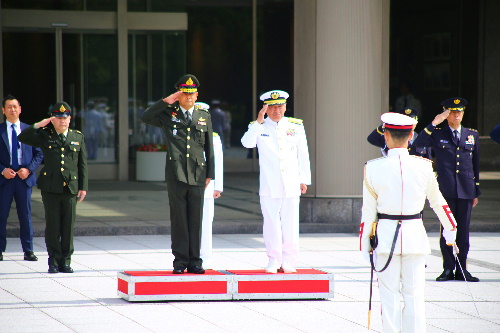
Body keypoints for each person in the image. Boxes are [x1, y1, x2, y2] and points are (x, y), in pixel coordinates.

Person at [360, 112, 457, 333]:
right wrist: (450, 230)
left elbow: (368, 213)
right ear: (411, 135)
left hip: (385, 239)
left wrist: (365, 244)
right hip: (415, 237)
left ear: (385, 135)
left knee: (389, 297)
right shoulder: (424, 166)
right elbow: (439, 203)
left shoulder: (372, 168)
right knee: (414, 297)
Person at [141, 74, 215, 275]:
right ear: (178, 95)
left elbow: (209, 146)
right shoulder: (168, 114)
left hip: (199, 173)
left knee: (196, 218)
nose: (188, 97)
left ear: (197, 95)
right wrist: (167, 101)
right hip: (176, 173)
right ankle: (180, 261)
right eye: (184, 94)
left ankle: (195, 261)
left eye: (192, 94)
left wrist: (211, 173)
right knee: (179, 218)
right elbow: (145, 117)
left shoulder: (203, 115)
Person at [241, 90, 311, 274]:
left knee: (290, 223)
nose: (276, 110)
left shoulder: (295, 126)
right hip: (269, 184)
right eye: (272, 107)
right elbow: (247, 143)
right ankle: (273, 259)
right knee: (271, 223)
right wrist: (258, 122)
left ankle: (289, 260)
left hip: (291, 182)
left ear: (285, 106)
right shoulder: (259, 126)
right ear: (265, 108)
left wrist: (304, 179)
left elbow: (303, 154)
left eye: (279, 106)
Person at [412, 97, 480, 282]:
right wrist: (435, 122)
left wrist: (476, 191)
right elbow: (418, 145)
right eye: (452, 111)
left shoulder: (471, 135)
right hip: (446, 190)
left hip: (466, 190)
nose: (457, 115)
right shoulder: (438, 134)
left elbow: (475, 164)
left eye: (460, 111)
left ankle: (462, 269)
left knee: (463, 232)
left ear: (463, 113)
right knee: (448, 230)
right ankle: (448, 268)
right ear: (446, 113)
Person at [18, 102, 88, 273]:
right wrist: (39, 125)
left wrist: (83, 186)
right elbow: (22, 137)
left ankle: (66, 261)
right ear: (52, 119)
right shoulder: (45, 135)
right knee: (53, 226)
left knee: (68, 226)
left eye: (65, 118)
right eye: (58, 118)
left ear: (70, 119)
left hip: (70, 187)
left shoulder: (77, 137)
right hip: (50, 187)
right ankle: (54, 261)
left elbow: (82, 164)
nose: (62, 121)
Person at [0, 95, 43, 262]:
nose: (12, 109)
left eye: (15, 106)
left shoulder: (29, 131)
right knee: (2, 215)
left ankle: (28, 250)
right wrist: (2, 170)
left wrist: (29, 169)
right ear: (4, 110)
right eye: (9, 107)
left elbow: (39, 154)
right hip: (5, 180)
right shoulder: (0, 130)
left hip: (23, 179)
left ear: (20, 109)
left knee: (25, 215)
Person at [195, 102, 223, 269]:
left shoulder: (214, 137)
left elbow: (217, 162)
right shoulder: (184, 134)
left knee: (206, 223)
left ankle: (206, 257)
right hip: (188, 185)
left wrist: (218, 185)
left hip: (207, 187)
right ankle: (190, 257)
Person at [367, 107, 432, 159]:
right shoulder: (392, 137)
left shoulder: (423, 138)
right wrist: (385, 125)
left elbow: (428, 160)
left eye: (412, 121)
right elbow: (372, 139)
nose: (410, 124)